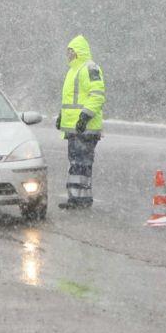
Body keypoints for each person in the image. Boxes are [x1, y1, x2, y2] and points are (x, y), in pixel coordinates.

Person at [55, 35, 106, 209]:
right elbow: (70, 99)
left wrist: (85, 116)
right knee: (77, 164)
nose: (68, 55)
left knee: (81, 164)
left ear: (78, 52)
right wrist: (62, 116)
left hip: (86, 128)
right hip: (75, 129)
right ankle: (77, 198)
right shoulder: (72, 71)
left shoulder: (89, 68)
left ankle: (79, 199)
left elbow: (97, 95)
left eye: (70, 52)